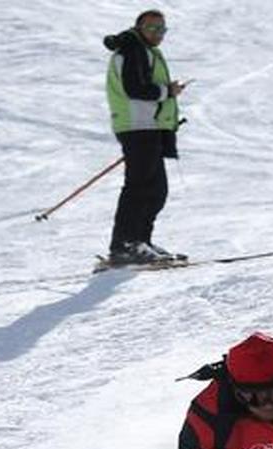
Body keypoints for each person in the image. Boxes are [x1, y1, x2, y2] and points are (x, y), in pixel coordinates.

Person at [103, 10, 186, 265]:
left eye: (162, 30)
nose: (158, 34)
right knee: (140, 187)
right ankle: (126, 245)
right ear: (139, 27)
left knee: (156, 189)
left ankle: (141, 241)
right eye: (152, 28)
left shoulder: (143, 50)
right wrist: (167, 91)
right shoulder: (132, 49)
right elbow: (135, 88)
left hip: (148, 127)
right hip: (138, 126)